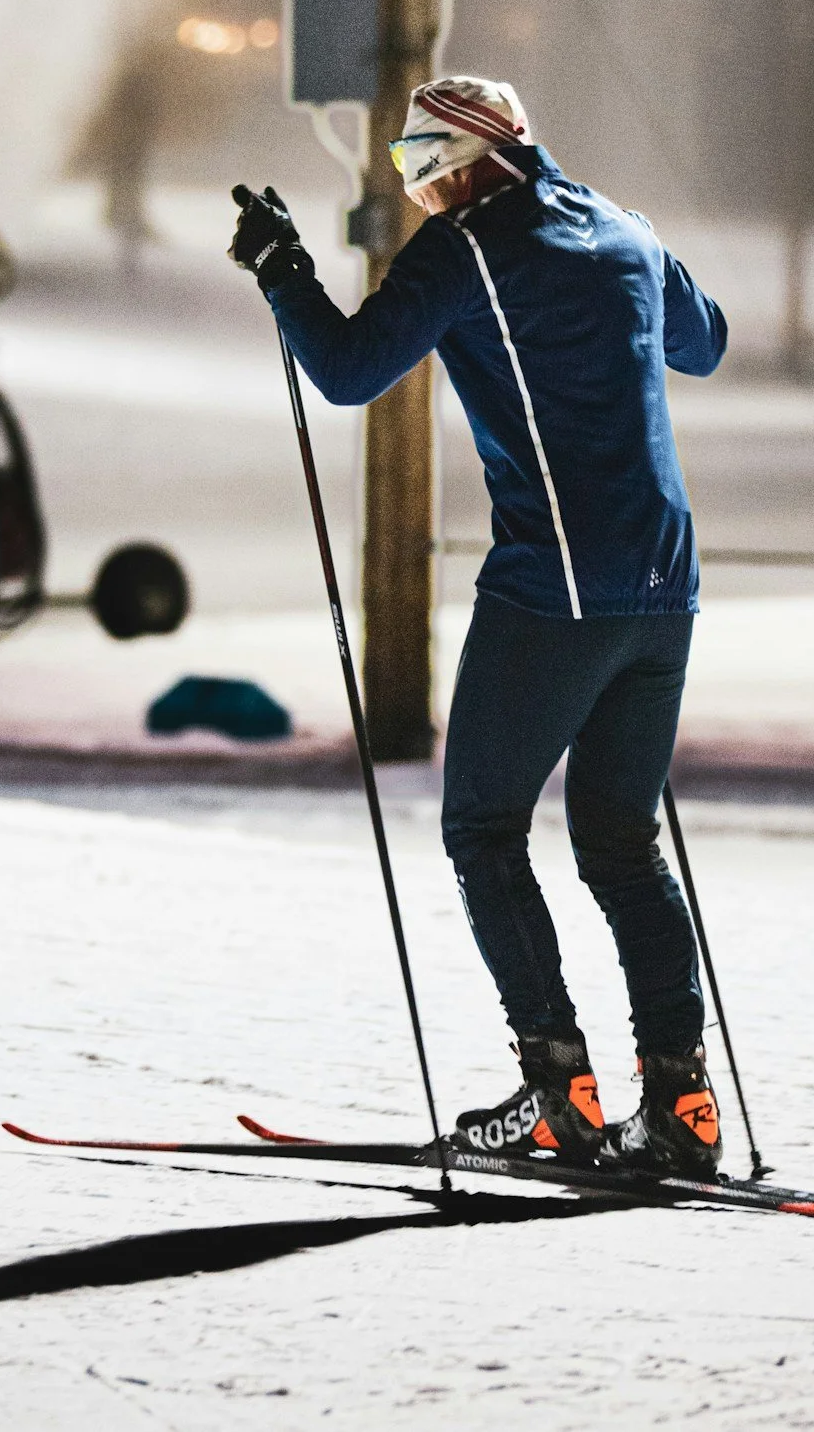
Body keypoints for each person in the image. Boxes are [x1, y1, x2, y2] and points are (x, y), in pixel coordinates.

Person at [228, 75, 729, 1178]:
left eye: (423, 167)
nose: (420, 194)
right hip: (665, 586)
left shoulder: (469, 250)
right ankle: (682, 1105)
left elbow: (351, 370)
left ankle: (559, 1093)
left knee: (484, 829)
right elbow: (706, 344)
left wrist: (285, 274)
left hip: (553, 586)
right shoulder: (625, 228)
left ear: (476, 156)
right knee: (619, 840)